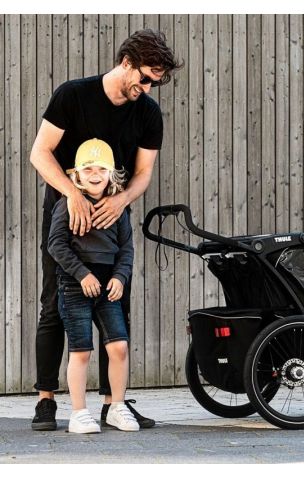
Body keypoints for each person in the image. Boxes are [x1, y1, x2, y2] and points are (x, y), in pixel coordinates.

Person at [30, 29, 183, 431]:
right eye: (145, 78)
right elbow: (39, 153)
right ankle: (46, 400)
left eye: (156, 83)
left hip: (112, 219)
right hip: (66, 214)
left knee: (114, 304)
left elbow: (143, 172)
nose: (148, 88)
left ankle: (112, 402)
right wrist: (73, 196)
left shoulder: (147, 113)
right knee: (54, 306)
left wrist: (121, 200)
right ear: (127, 62)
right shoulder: (73, 95)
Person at [48, 138, 138, 433]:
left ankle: (117, 406)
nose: (95, 175)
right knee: (81, 350)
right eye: (88, 169)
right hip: (76, 286)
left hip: (108, 286)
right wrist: (82, 274)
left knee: (119, 347)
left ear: (111, 174)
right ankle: (78, 413)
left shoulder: (118, 209)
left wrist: (120, 277)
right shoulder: (67, 205)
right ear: (77, 174)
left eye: (101, 169)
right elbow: (56, 245)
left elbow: (126, 249)